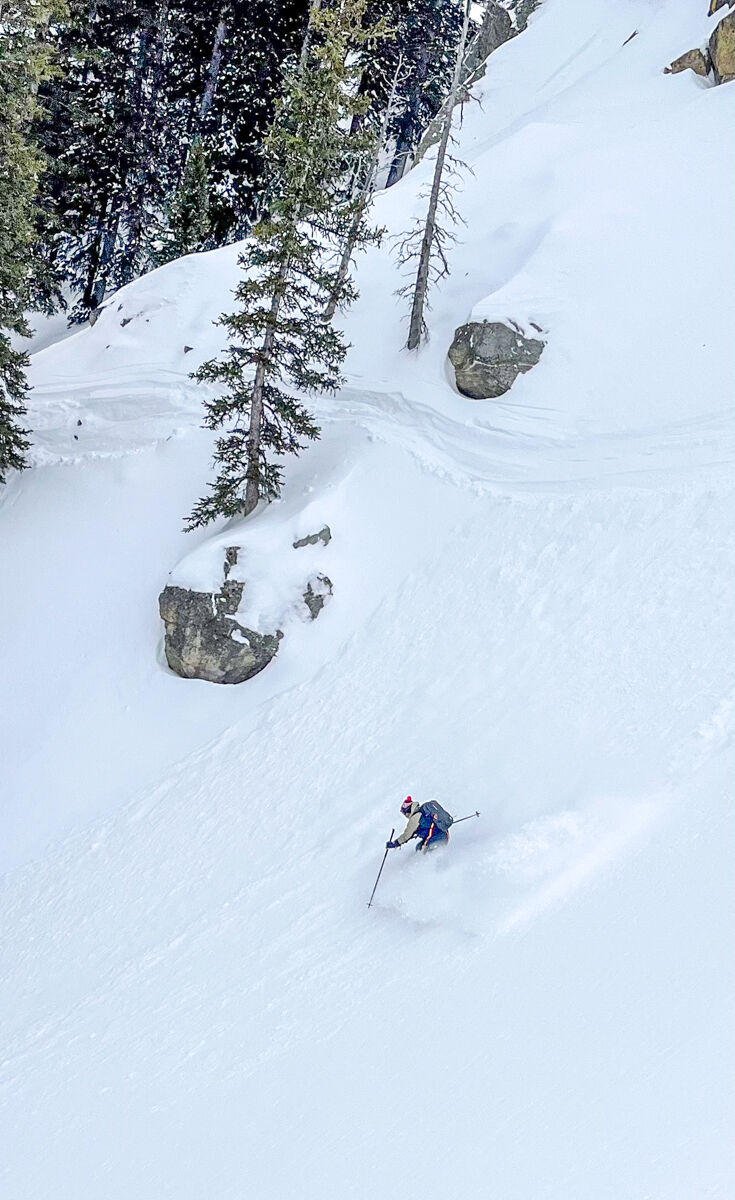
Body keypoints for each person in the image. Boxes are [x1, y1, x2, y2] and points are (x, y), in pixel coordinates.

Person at [386, 795, 452, 853]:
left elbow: (407, 835)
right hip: (444, 834)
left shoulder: (415, 818)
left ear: (408, 811)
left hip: (437, 839)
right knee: (418, 848)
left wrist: (395, 843)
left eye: (405, 813)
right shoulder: (423, 812)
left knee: (424, 853)